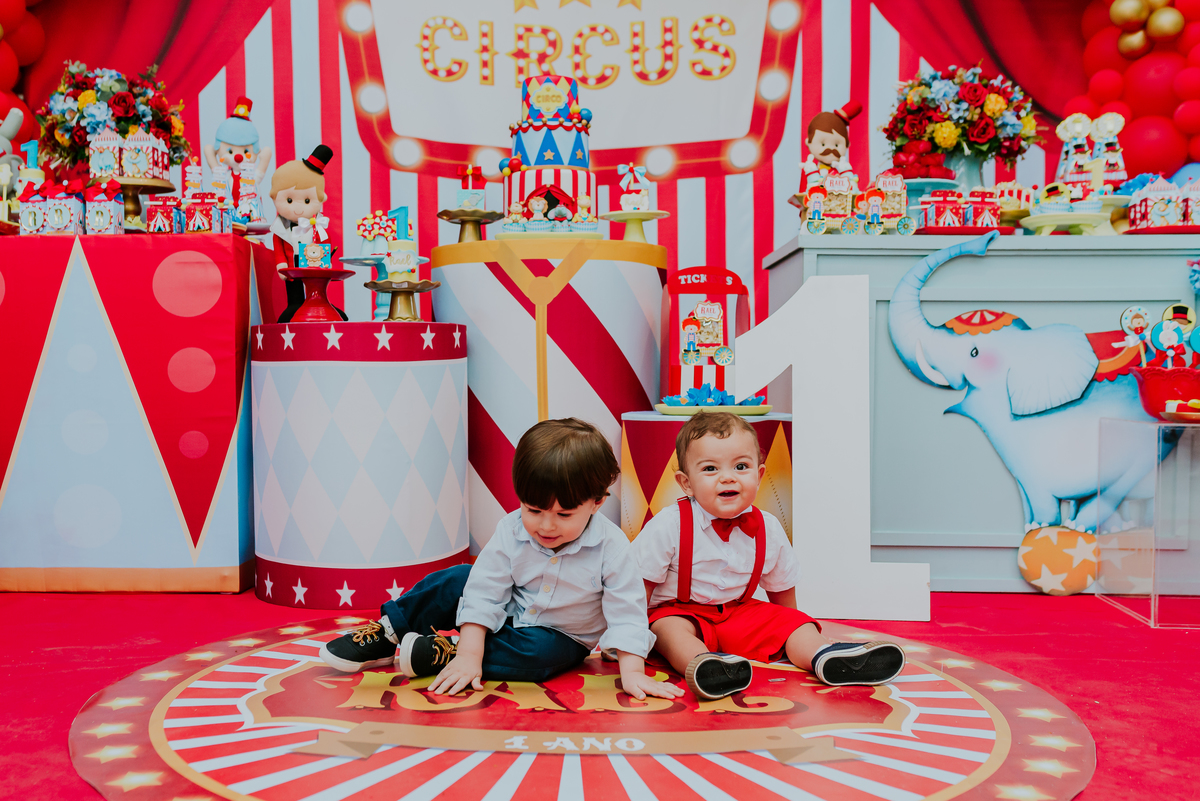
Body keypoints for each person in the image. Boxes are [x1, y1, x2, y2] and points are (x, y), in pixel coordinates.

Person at [320, 418, 685, 703]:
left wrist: (632, 672)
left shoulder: (612, 547)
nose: (546, 525)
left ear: (597, 503)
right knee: (459, 578)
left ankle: (445, 652)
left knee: (539, 655)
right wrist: (473, 648)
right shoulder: (511, 530)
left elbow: (626, 612)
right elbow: (484, 590)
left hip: (560, 636)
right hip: (509, 610)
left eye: (564, 514)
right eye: (534, 510)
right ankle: (388, 632)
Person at [635, 411, 905, 700]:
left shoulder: (768, 527)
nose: (728, 478)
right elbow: (638, 588)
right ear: (686, 483)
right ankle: (705, 666)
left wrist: (790, 625)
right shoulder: (669, 525)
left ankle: (823, 655)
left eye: (741, 466)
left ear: (759, 475)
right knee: (669, 630)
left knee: (795, 624)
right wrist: (629, 641)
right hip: (680, 612)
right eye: (710, 469)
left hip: (737, 613)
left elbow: (782, 588)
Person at [269, 145, 346, 323]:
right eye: (289, 200)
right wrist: (281, 265)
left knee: (316, 288)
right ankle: (294, 307)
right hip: (291, 267)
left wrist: (325, 260)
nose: (298, 208)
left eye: (306, 200)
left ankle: (324, 305)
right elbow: (279, 249)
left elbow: (325, 241)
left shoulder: (318, 225)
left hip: (313, 265)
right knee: (294, 293)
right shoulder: (280, 229)